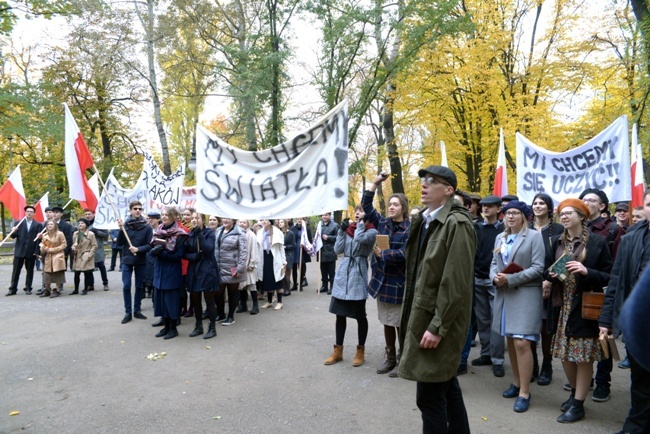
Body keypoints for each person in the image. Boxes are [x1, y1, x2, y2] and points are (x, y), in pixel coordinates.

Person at [398, 165, 475, 434]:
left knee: (429, 396)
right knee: (445, 384)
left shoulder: (458, 224)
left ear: (449, 190)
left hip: (439, 321)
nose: (424, 184)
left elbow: (455, 283)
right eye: (423, 180)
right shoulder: (426, 220)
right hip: (426, 316)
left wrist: (437, 326)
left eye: (432, 181)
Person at [547, 198, 612, 423]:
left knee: (583, 358)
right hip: (561, 307)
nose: (563, 217)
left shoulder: (597, 243)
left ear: (582, 216)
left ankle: (578, 404)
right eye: (561, 214)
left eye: (569, 213)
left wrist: (586, 270)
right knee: (564, 355)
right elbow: (548, 271)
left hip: (582, 307)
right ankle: (576, 394)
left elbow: (609, 276)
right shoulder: (557, 241)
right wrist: (551, 277)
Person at [599, 189, 650, 433]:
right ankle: (635, 425)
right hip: (641, 323)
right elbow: (617, 280)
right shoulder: (630, 238)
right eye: (649, 204)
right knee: (640, 380)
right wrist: (607, 320)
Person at [490, 200, 545, 413]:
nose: (510, 216)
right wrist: (495, 277)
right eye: (507, 213)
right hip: (504, 295)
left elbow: (538, 268)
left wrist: (510, 279)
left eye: (515, 213)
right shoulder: (500, 237)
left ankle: (525, 391)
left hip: (525, 294)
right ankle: (515, 383)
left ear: (524, 216)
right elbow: (494, 264)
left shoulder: (534, 236)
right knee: (511, 341)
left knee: (523, 343)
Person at [361, 172, 410, 378]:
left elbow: (407, 253)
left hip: (399, 283)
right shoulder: (382, 223)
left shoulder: (410, 228)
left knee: (400, 323)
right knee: (387, 321)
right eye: (390, 204)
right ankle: (389, 358)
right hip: (382, 281)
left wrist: (385, 254)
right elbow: (366, 205)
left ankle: (402, 360)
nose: (391, 207)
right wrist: (375, 183)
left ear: (403, 208)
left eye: (396, 205)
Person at [579, 188, 625, 402]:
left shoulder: (613, 231)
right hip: (579, 292)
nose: (586, 202)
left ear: (602, 206)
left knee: (603, 337)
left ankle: (602, 382)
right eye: (584, 199)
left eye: (592, 200)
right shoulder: (575, 228)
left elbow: (617, 268)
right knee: (583, 336)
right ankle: (584, 378)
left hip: (603, 293)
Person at [323, 205, 377, 367]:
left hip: (357, 274)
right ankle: (338, 351)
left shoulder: (371, 231)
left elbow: (360, 239)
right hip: (343, 274)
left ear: (367, 216)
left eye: (361, 211)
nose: (357, 214)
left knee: (360, 316)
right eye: (356, 212)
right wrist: (341, 231)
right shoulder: (349, 229)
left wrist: (361, 225)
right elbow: (338, 249)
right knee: (340, 314)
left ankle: (360, 351)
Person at [530, 192, 564, 386]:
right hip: (526, 285)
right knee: (528, 328)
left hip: (550, 286)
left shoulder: (559, 230)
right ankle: (532, 364)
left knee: (545, 328)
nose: (538, 206)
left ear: (550, 208)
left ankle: (547, 365)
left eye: (542, 203)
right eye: (535, 203)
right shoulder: (524, 227)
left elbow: (567, 258)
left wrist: (550, 280)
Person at [470, 195, 505, 377]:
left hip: (496, 281)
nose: (485, 209)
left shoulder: (505, 229)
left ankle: (497, 359)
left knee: (496, 321)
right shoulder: (475, 228)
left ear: (499, 209)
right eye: (483, 206)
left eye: (490, 206)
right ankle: (485, 354)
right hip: (477, 279)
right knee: (482, 319)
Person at [151, 207, 188, 340]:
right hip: (159, 271)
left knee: (170, 302)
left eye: (167, 215)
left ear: (174, 217)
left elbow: (178, 255)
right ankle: (165, 326)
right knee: (161, 301)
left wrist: (162, 253)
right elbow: (151, 249)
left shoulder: (180, 234)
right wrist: (153, 251)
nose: (164, 217)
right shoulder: (159, 230)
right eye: (163, 214)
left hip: (171, 272)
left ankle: (173, 328)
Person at [117, 201, 153, 324]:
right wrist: (121, 229)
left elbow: (150, 245)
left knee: (139, 286)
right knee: (126, 286)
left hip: (141, 260)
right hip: (127, 259)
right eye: (135, 208)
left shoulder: (147, 227)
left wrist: (139, 249)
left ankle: (137, 310)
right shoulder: (125, 225)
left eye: (139, 208)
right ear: (130, 210)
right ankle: (128, 312)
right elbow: (120, 243)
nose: (138, 210)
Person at [185, 212, 219, 339]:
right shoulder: (189, 234)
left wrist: (199, 233)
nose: (194, 220)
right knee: (195, 300)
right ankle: (198, 326)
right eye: (192, 218)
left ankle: (212, 327)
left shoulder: (209, 233)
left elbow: (208, 249)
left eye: (197, 218)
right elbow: (184, 253)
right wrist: (194, 256)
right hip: (194, 270)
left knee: (209, 300)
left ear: (202, 220)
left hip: (207, 270)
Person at [214, 218, 247, 325]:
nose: (225, 220)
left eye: (228, 218)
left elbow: (243, 252)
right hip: (219, 267)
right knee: (218, 293)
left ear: (233, 220)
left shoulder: (240, 232)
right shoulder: (218, 231)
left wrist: (240, 268)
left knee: (232, 293)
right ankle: (221, 313)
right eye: (223, 218)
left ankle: (230, 316)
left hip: (233, 268)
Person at [7, 205, 42, 296]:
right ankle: (13, 289)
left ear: (34, 213)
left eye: (31, 211)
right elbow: (13, 236)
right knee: (16, 271)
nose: (29, 213)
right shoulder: (18, 223)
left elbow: (39, 240)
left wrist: (37, 251)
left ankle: (28, 288)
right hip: (20, 251)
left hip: (31, 251)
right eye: (28, 211)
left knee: (30, 271)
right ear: (25, 213)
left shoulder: (38, 225)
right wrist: (13, 231)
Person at [257, 219, 287, 310]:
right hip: (264, 257)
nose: (263, 222)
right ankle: (269, 301)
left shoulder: (277, 232)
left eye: (265, 220)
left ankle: (280, 302)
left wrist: (284, 261)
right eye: (262, 220)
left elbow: (281, 248)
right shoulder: (260, 232)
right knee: (267, 280)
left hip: (275, 257)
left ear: (270, 221)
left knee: (277, 280)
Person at [38, 220, 67, 298]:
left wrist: (53, 250)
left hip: (58, 255)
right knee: (47, 273)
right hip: (48, 256)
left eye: (51, 224)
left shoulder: (60, 234)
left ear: (55, 225)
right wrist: (43, 249)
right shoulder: (45, 235)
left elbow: (64, 245)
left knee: (57, 273)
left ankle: (57, 290)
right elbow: (42, 245)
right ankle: (47, 289)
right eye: (48, 224)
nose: (50, 225)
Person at [70, 218, 97, 295]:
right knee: (76, 273)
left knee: (86, 273)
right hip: (77, 255)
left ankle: (85, 289)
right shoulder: (75, 233)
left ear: (86, 225)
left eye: (82, 223)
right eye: (79, 223)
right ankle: (76, 289)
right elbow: (74, 243)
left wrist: (90, 254)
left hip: (86, 254)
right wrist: (73, 247)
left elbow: (94, 245)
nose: (80, 225)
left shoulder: (91, 234)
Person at [237, 219, 259, 314]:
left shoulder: (251, 235)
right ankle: (243, 305)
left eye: (244, 222)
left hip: (249, 264)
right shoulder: (236, 233)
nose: (242, 224)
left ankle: (255, 305)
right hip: (239, 264)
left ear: (248, 224)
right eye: (240, 222)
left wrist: (252, 263)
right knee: (241, 286)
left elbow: (254, 250)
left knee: (251, 285)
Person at [84, 209, 110, 291]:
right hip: (87, 249)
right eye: (86, 214)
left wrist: (97, 231)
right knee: (89, 268)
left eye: (89, 214)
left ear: (94, 214)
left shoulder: (99, 223)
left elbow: (106, 235)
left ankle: (105, 283)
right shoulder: (84, 224)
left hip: (98, 249)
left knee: (101, 266)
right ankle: (91, 284)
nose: (87, 216)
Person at [319, 212, 339, 294]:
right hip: (321, 251)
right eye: (323, 215)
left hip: (330, 251)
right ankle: (324, 286)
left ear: (330, 216)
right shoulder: (319, 225)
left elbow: (338, 237)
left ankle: (332, 287)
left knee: (331, 271)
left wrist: (329, 237)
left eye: (326, 215)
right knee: (323, 270)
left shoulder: (335, 225)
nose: (324, 216)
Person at [290, 217, 312, 290]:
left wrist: (305, 245)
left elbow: (309, 240)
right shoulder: (293, 229)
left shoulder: (306, 229)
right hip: (295, 250)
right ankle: (295, 285)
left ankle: (301, 283)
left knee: (301, 267)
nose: (299, 220)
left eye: (301, 219)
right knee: (294, 268)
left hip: (302, 250)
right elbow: (291, 238)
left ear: (303, 220)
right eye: (298, 219)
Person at [144, 212, 161, 301]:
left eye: (152, 218)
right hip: (148, 259)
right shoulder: (147, 230)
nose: (149, 220)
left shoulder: (162, 230)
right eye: (148, 218)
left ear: (158, 219)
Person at [51, 206, 74, 271]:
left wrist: (64, 252)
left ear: (61, 214)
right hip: (49, 251)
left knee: (60, 271)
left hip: (61, 252)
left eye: (57, 212)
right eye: (53, 212)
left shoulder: (66, 226)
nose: (54, 214)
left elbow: (69, 240)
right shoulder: (47, 224)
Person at [275, 219, 294, 297]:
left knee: (287, 274)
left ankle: (287, 290)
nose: (280, 223)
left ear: (285, 223)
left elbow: (293, 245)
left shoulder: (290, 233)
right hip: (279, 255)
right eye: (279, 222)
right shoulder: (277, 233)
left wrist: (285, 247)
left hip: (288, 255)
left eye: (282, 222)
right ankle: (284, 288)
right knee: (281, 273)